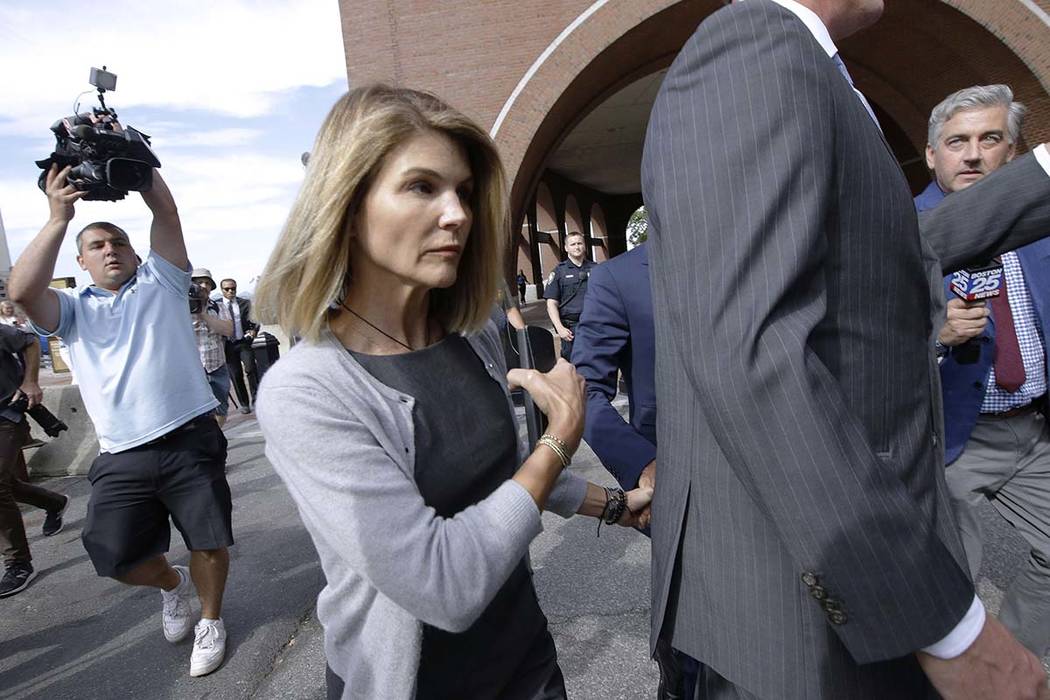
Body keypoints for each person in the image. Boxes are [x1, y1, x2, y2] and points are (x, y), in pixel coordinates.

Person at [641, 0, 1050, 698]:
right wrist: (946, 627)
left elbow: (890, 254)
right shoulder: (755, 46)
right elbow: (753, 352)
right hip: (797, 619)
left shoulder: (810, 68)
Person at [253, 84, 652, 700]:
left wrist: (622, 506)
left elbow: (500, 476)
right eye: (421, 187)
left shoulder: (468, 339)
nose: (457, 213)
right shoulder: (306, 390)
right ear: (348, 204)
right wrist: (560, 437)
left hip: (527, 660)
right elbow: (444, 584)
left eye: (463, 192)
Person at [9, 158, 233, 678]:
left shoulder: (164, 281)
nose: (111, 250)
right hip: (123, 452)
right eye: (97, 246)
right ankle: (173, 586)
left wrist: (138, 162)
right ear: (82, 262)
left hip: (190, 437)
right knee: (116, 557)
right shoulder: (70, 309)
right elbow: (21, 292)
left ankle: (211, 619)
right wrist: (59, 215)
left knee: (209, 539)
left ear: (134, 252)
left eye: (119, 243)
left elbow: (167, 212)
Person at [917, 84, 1050, 659]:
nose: (972, 154)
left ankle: (1009, 668)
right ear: (931, 155)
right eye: (957, 142)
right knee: (949, 585)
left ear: (1014, 152)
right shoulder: (899, 231)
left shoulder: (1042, 228)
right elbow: (854, 344)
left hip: (1033, 429)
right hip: (945, 437)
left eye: (989, 139)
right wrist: (934, 335)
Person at [570, 242, 693, 699]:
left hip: (773, 484)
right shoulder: (618, 277)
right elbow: (586, 392)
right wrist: (644, 465)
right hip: (679, 494)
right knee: (692, 649)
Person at [0, 323, 68, 598]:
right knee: (7, 485)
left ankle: (18, 564)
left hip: (6, 415)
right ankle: (55, 502)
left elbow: (29, 341)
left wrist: (30, 382)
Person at [191, 269, 234, 428]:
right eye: (199, 282)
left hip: (217, 365)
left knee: (221, 408)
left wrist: (203, 314)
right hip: (194, 369)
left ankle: (217, 436)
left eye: (208, 283)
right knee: (197, 413)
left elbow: (228, 330)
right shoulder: (180, 307)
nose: (204, 286)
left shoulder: (218, 307)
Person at [546, 231, 596, 360]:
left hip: (594, 326)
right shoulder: (559, 271)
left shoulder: (596, 269)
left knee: (596, 363)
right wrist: (559, 328)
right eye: (573, 244)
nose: (577, 247)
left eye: (579, 243)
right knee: (572, 366)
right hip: (571, 329)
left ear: (584, 245)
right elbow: (551, 303)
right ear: (566, 248)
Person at [219, 279, 259, 414]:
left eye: (233, 288)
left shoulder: (244, 303)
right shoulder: (217, 306)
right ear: (222, 290)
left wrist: (254, 330)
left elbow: (255, 319)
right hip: (228, 346)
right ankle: (244, 404)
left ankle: (256, 399)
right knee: (236, 375)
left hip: (243, 343)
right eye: (227, 289)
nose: (231, 291)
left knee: (251, 369)